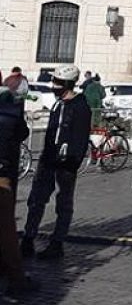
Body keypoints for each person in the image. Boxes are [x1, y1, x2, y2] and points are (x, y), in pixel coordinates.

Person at [21, 64, 92, 261]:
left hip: (66, 163)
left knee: (63, 203)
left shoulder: (80, 107)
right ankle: (28, 238)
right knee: (36, 200)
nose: (54, 86)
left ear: (68, 84)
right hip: (48, 159)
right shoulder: (57, 103)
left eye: (58, 83)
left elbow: (80, 138)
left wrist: (72, 161)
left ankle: (57, 243)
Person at [0, 87, 34, 295]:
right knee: (6, 230)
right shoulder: (10, 109)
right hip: (2, 173)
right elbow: (23, 132)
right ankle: (16, 278)